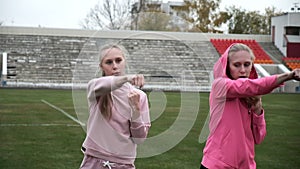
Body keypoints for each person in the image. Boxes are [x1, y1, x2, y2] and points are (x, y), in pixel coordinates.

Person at [200, 43, 300, 169]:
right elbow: (248, 86)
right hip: (217, 165)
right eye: (236, 65)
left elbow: (258, 137)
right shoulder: (220, 86)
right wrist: (288, 75)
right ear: (227, 66)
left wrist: (257, 108)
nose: (242, 70)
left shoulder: (252, 95)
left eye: (247, 64)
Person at [80, 43, 151, 169]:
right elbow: (106, 83)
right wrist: (126, 78)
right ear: (101, 66)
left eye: (118, 60)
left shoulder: (140, 96)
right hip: (94, 161)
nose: (115, 66)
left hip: (124, 164)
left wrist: (136, 110)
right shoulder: (96, 88)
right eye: (109, 62)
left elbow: (139, 139)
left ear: (124, 61)